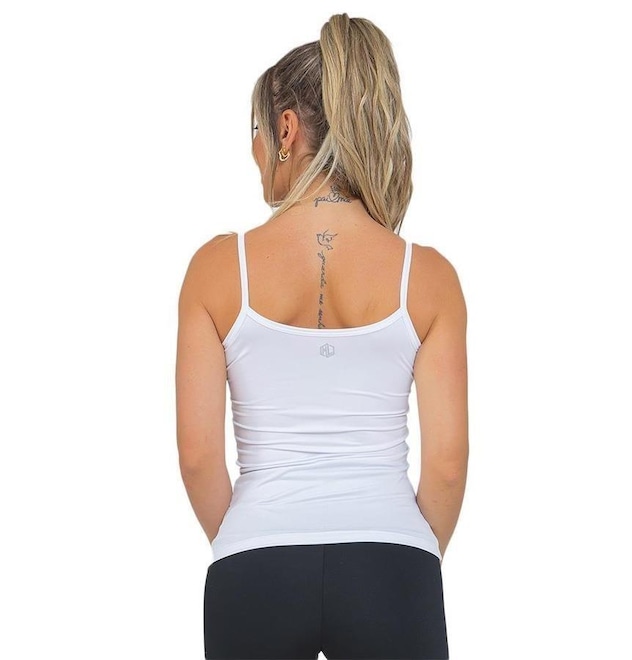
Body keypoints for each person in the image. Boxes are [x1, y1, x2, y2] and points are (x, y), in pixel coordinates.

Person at [176, 12, 469, 660]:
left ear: (286, 129)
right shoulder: (427, 276)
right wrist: (405, 558)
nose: (257, 153)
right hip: (391, 563)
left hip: (256, 564)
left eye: (257, 133)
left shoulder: (217, 269)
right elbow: (447, 465)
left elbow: (197, 456)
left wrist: (250, 540)